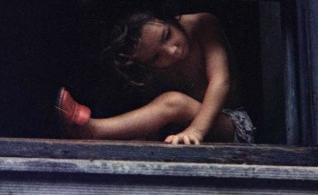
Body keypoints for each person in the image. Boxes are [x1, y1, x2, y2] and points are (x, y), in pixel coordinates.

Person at [56, 11, 255, 144]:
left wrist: (196, 131)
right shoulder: (147, 67)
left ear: (169, 16)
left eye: (167, 35)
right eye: (156, 57)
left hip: (232, 126)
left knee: (173, 102)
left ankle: (92, 131)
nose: (172, 51)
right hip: (180, 131)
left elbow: (221, 81)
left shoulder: (203, 24)